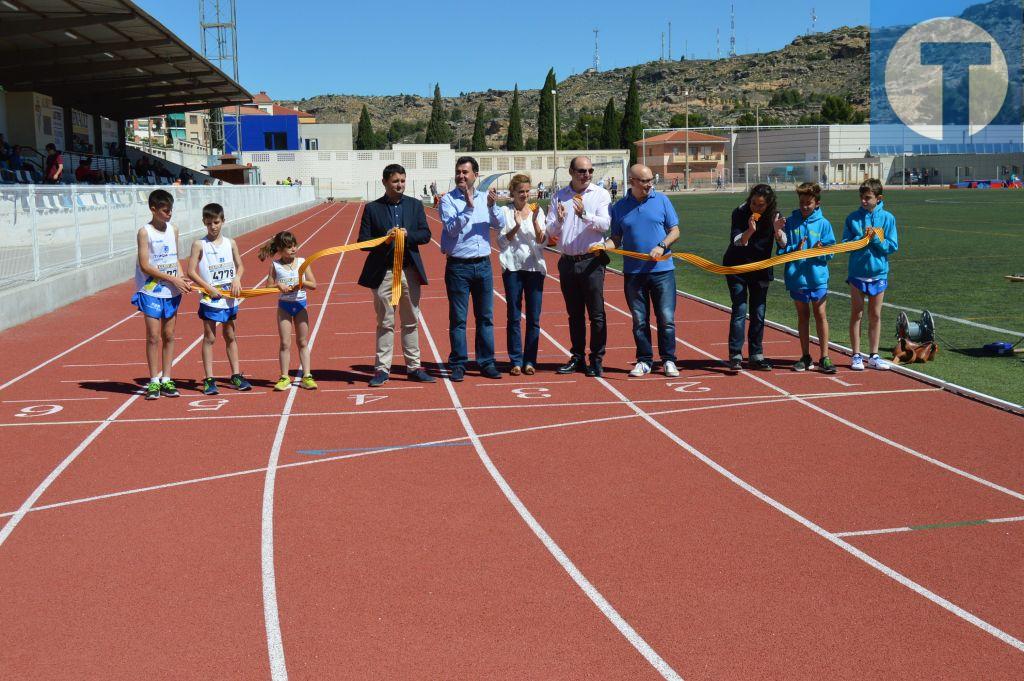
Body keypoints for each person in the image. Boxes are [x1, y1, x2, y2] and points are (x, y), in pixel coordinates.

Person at [357, 163, 435, 387]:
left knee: (411, 320)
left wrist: (407, 236)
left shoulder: (415, 205)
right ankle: (382, 369)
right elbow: (363, 242)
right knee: (385, 322)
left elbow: (426, 235)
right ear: (385, 182)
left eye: (402, 180)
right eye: (395, 181)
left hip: (409, 272)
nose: (399, 185)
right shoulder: (372, 209)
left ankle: (414, 366)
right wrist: (385, 238)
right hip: (384, 273)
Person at [604, 164, 681, 377]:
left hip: (662, 271)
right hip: (634, 274)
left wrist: (662, 246)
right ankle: (644, 360)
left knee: (666, 318)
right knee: (639, 320)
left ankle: (668, 360)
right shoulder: (619, 207)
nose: (649, 185)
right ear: (632, 181)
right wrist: (602, 246)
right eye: (644, 181)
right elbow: (616, 239)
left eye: (650, 180)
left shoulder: (662, 200)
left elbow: (675, 231)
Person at [438, 156, 505, 381]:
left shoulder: (487, 198)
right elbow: (450, 229)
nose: (461, 176)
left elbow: (499, 224)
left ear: (476, 175)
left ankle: (486, 362)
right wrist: (467, 208)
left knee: (485, 317)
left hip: (483, 265)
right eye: (458, 172)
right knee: (458, 319)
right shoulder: (448, 200)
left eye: (465, 172)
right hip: (458, 267)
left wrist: (493, 206)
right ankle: (458, 363)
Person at [546, 156, 612, 377]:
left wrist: (585, 215)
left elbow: (605, 224)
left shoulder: (600, 194)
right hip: (567, 262)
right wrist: (560, 221)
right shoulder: (559, 196)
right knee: (574, 315)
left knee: (596, 314)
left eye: (590, 170)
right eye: (582, 171)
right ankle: (577, 357)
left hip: (591, 261)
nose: (587, 174)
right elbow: (549, 232)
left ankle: (596, 359)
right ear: (571, 172)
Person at [131, 189, 192, 400]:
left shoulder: (173, 230)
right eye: (165, 210)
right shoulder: (144, 232)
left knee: (169, 335)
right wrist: (171, 278)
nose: (169, 214)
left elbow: (174, 257)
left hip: (172, 291)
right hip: (151, 290)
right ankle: (153, 381)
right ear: (153, 209)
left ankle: (167, 378)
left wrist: (181, 277)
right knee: (153, 336)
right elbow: (145, 265)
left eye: (171, 210)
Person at [186, 202, 252, 395]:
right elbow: (191, 271)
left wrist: (237, 279)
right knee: (210, 337)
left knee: (231, 336)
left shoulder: (231, 243)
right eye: (208, 223)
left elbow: (240, 265)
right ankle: (209, 379)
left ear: (223, 221)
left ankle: (236, 375)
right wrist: (208, 288)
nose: (213, 226)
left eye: (216, 222)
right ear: (204, 223)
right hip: (210, 299)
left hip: (229, 298)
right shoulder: (199, 244)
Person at [722, 184, 786, 371]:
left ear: (769, 205)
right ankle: (735, 354)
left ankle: (756, 355)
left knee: (758, 312)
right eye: (753, 203)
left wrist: (777, 231)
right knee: (740, 309)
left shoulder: (775, 215)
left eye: (760, 205)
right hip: (737, 266)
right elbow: (736, 241)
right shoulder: (740, 212)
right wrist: (750, 230)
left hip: (761, 269)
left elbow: (783, 245)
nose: (756, 208)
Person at [778, 182, 837, 373]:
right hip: (797, 278)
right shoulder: (791, 222)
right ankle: (805, 356)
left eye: (809, 203)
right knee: (803, 316)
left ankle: (825, 357)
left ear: (817, 203)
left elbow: (831, 252)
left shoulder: (824, 224)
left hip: (817, 278)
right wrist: (792, 248)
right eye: (802, 202)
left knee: (820, 314)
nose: (804, 206)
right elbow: (781, 250)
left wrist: (821, 251)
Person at [844, 178, 899, 370]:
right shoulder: (852, 218)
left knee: (875, 315)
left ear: (879, 198)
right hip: (857, 273)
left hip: (878, 273)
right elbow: (845, 243)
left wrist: (875, 239)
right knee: (856, 314)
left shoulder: (888, 218)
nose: (864, 201)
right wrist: (860, 239)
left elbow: (892, 246)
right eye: (862, 197)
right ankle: (856, 355)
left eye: (868, 198)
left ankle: (874, 355)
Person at [497, 173, 547, 375]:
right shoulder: (505, 212)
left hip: (534, 269)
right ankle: (516, 360)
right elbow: (501, 242)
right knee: (514, 316)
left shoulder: (538, 210)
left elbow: (543, 241)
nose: (525, 195)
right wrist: (516, 225)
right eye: (520, 192)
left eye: (527, 191)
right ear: (512, 193)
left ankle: (530, 361)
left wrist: (535, 222)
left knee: (534, 318)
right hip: (513, 268)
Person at [260, 231, 319, 391]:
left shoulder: (302, 262)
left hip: (300, 305)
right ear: (280, 249)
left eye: (295, 245)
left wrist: (302, 283)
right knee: (285, 343)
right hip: (284, 307)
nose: (293, 249)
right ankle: (284, 377)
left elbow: (314, 284)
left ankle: (307, 376)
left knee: (302, 342)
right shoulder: (275, 265)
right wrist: (279, 285)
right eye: (289, 247)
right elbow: (268, 286)